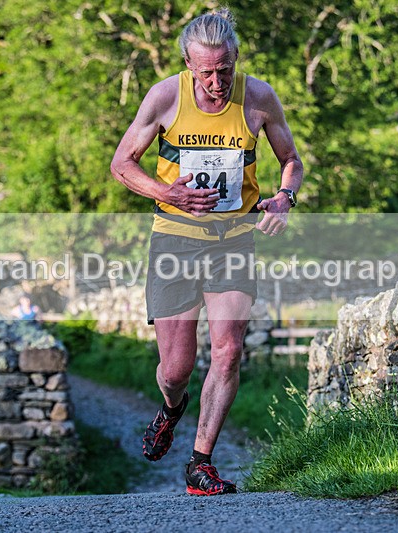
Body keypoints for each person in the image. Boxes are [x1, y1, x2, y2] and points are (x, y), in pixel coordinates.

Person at [110, 8, 303, 496]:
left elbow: (291, 162)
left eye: (225, 69)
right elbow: (122, 164)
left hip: (233, 240)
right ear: (189, 65)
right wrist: (168, 192)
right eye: (206, 72)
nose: (216, 82)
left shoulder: (258, 97)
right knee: (175, 369)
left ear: (236, 57)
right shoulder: (164, 97)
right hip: (174, 237)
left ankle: (200, 464)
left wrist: (285, 197)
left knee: (229, 351)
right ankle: (172, 408)